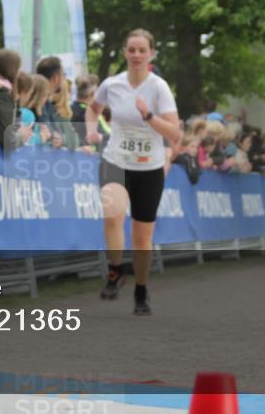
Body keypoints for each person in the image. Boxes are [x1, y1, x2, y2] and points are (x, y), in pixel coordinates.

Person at [85, 29, 181, 315]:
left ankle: (141, 289)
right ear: (125, 53)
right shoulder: (112, 84)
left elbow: (175, 133)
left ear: (151, 54)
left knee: (141, 237)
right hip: (116, 160)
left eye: (142, 50)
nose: (137, 55)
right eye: (132, 50)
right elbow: (93, 109)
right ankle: (116, 271)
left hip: (148, 168)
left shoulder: (159, 88)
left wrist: (149, 116)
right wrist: (91, 131)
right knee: (112, 214)